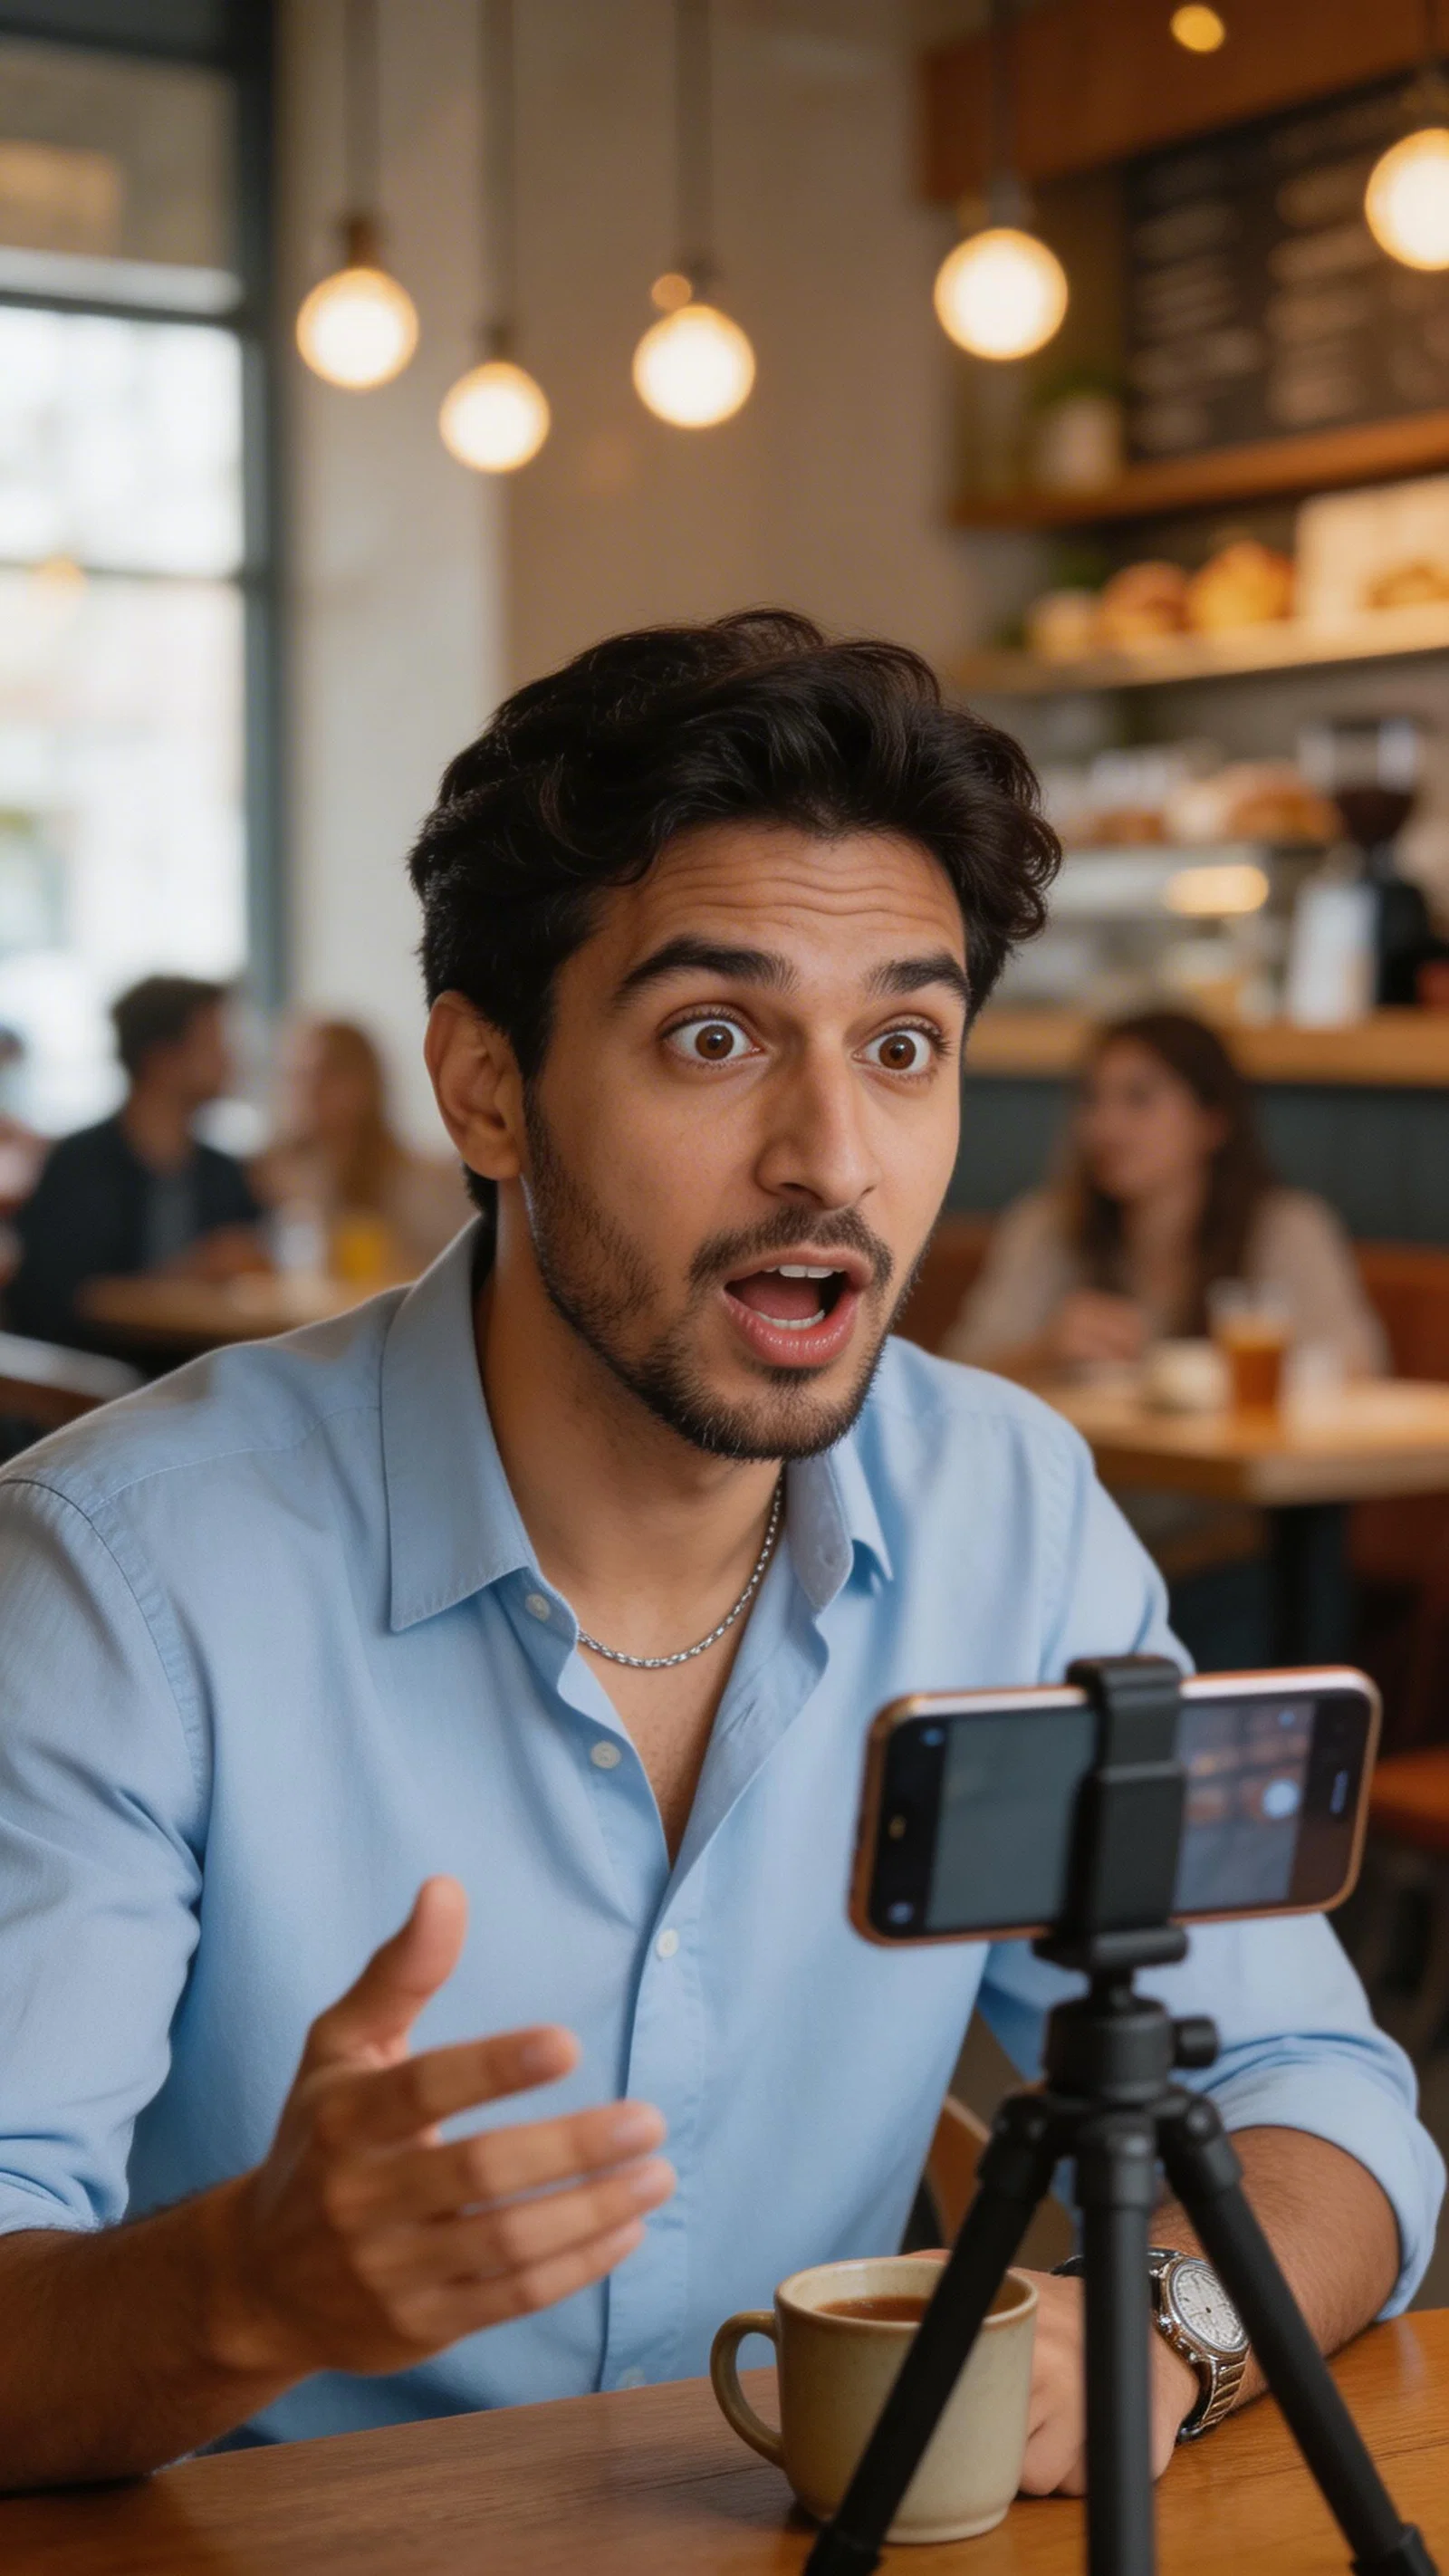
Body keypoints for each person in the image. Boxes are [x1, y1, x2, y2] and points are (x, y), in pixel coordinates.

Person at [0, 615, 1437, 2495]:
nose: (829, 1155)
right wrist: (248, 2289)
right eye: (713, 1036)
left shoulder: (1005, 1517)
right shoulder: (126, 1577)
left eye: (904, 1045)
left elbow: (1318, 2100)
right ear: (486, 1087)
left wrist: (1152, 2335)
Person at [945, 1011, 1387, 1665]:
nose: (1105, 1126)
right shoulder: (1048, 1229)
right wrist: (1044, 1349)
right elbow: (954, 1382)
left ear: (1213, 1121)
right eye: (1092, 1101)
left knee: (1291, 1563)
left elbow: (1358, 1370)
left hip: (1216, 1554)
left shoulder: (1284, 1229)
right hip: (1068, 1552)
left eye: (1139, 1099)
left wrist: (1216, 1379)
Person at [4, 976, 267, 1352]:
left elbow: (257, 1265)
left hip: (199, 1374)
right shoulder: (80, 1166)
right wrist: (189, 1273)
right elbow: (53, 1299)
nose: (231, 1058)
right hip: (98, 1387)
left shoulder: (222, 1172)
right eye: (214, 1043)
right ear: (161, 1059)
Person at [254, 1016, 470, 1276]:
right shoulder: (272, 1177)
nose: (307, 1092)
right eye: (296, 1076)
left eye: (324, 1075)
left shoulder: (419, 1181)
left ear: (364, 1084)